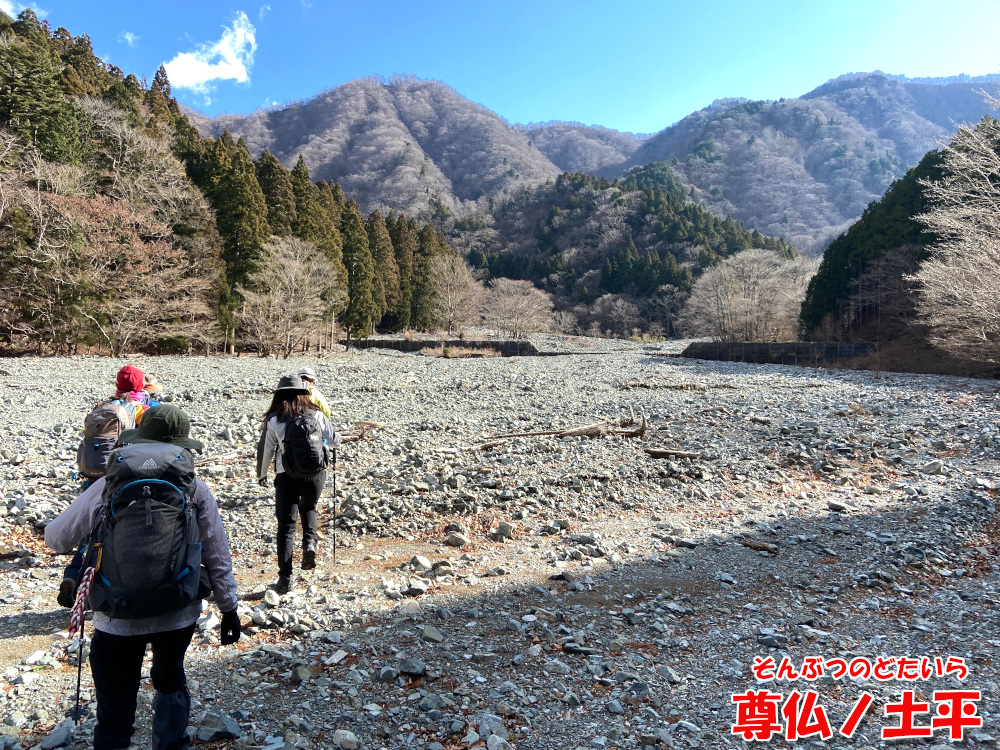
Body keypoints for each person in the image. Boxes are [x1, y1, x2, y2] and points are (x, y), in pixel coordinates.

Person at [46, 404, 240, 750]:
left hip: (115, 613)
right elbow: (216, 553)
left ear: (140, 436)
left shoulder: (108, 483)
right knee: (169, 680)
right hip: (176, 607)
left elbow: (56, 538)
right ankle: (170, 743)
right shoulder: (194, 487)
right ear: (182, 444)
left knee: (115, 705)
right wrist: (229, 607)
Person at [256, 375, 340, 594]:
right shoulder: (318, 415)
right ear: (303, 394)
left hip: (287, 476)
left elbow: (266, 450)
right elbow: (332, 440)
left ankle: (285, 579)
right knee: (309, 508)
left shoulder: (275, 420)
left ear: (279, 396)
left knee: (286, 526)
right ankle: (309, 545)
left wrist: (261, 474)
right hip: (315, 474)